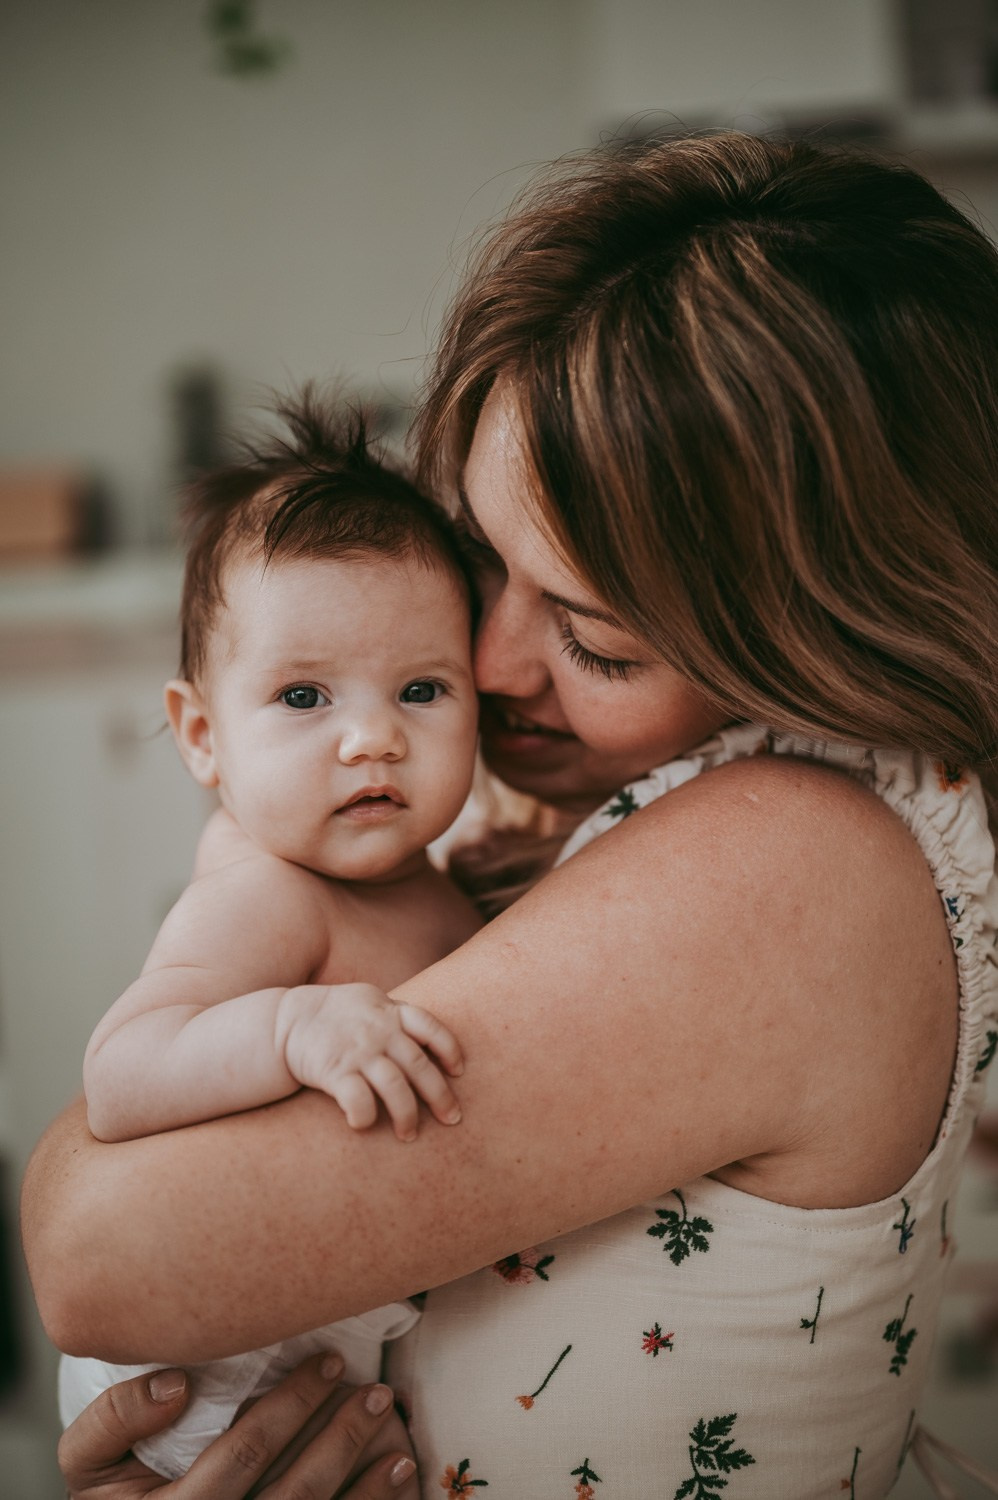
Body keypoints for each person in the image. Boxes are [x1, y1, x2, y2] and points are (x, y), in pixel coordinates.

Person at [22, 132, 998, 1499]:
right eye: (480, 556)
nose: (480, 667)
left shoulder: (791, 859)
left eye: (594, 639)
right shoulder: (685, 825)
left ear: (815, 638)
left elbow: (96, 1254)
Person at [56, 396, 482, 1488]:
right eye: (303, 695)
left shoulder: (433, 888)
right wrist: (291, 1026)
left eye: (421, 689)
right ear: (202, 735)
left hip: (323, 1343)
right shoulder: (267, 894)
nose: (373, 736)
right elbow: (121, 1074)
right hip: (200, 1380)